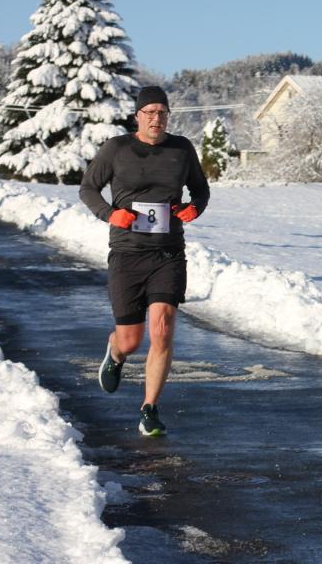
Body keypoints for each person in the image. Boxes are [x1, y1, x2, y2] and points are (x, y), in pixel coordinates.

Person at [79, 86, 209, 437]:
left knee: (163, 328)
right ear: (137, 116)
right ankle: (116, 353)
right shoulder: (117, 149)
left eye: (162, 112)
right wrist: (110, 214)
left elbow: (200, 190)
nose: (156, 118)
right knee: (132, 339)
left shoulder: (181, 149)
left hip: (167, 253)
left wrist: (194, 207)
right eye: (149, 111)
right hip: (127, 253)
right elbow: (88, 189)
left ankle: (149, 408)